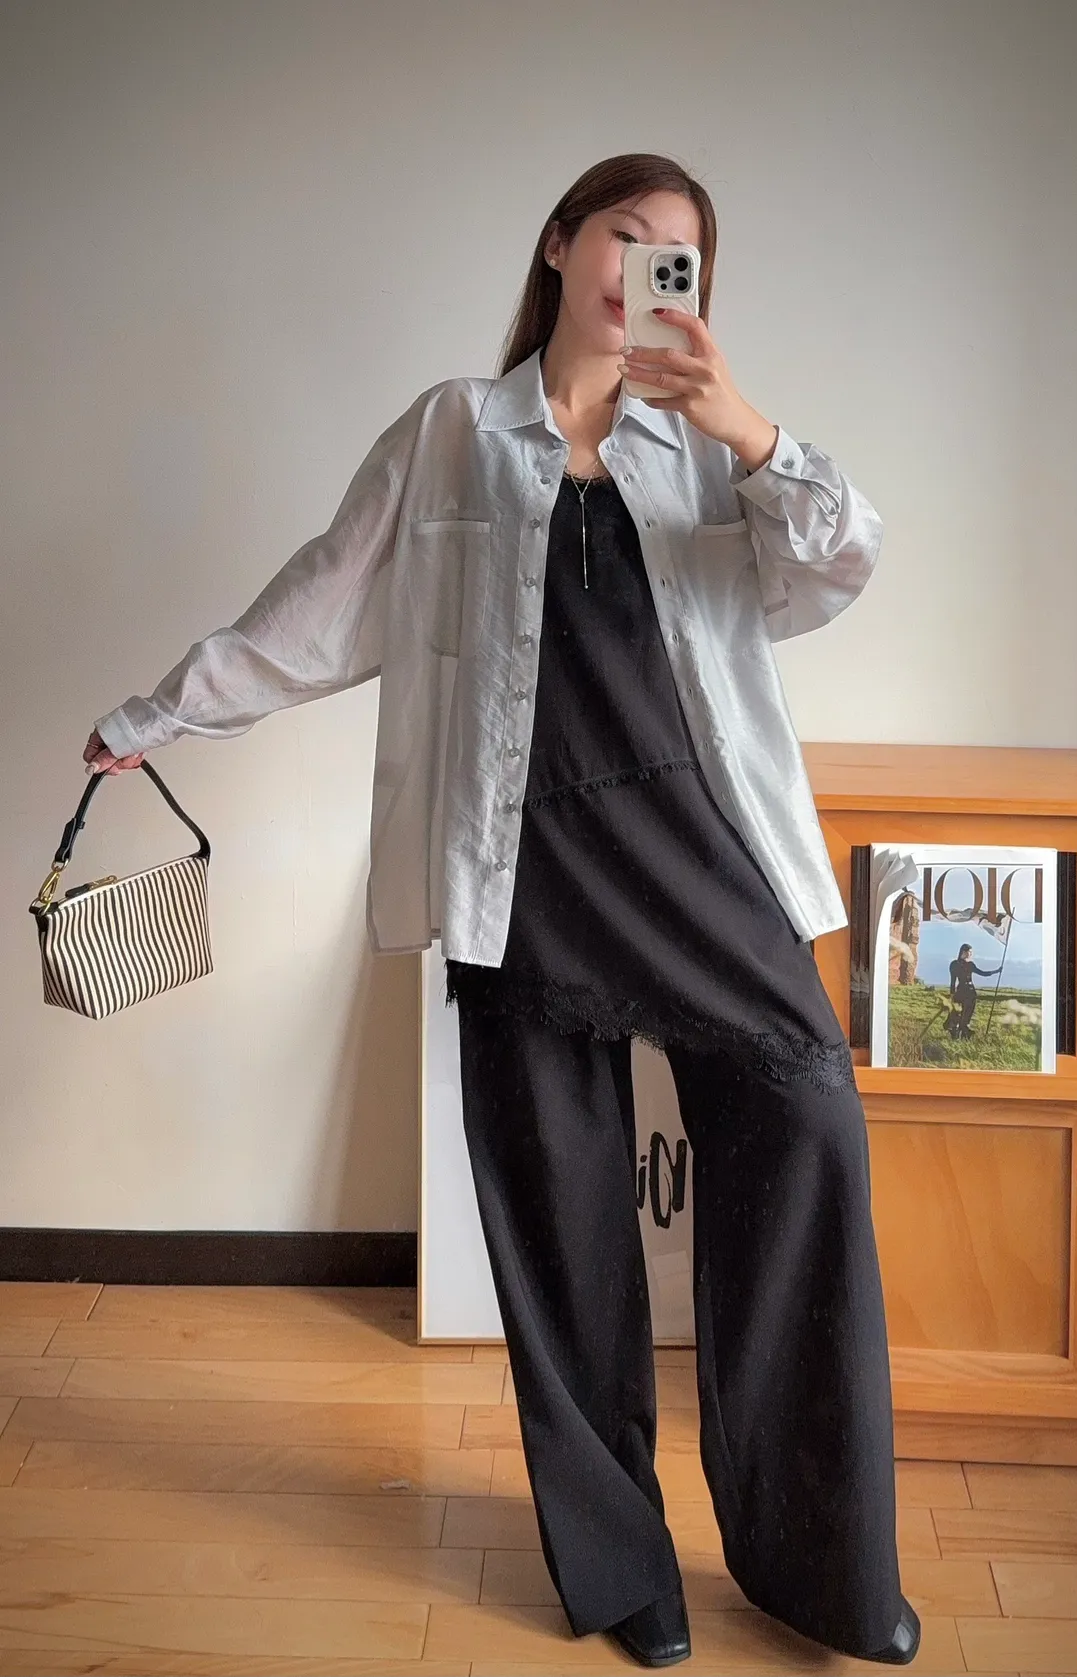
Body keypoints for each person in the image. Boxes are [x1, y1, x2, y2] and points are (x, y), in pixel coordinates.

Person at [84, 153, 919, 1669]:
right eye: (623, 234)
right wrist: (162, 713)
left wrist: (746, 427)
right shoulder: (454, 432)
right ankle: (623, 1573)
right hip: (522, 876)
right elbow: (320, 606)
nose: (641, 267)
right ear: (559, 242)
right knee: (563, 1226)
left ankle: (823, 1565)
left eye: (677, 255)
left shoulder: (708, 448)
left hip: (697, 854)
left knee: (808, 1124)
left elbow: (842, 560)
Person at [947, 943, 1001, 1038]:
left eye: (971, 952)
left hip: (969, 992)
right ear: (963, 952)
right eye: (969, 952)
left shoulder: (968, 965)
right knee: (959, 1012)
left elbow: (982, 973)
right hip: (963, 992)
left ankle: (964, 1032)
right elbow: (953, 981)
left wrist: (996, 971)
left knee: (967, 1013)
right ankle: (958, 1030)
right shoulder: (955, 965)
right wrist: (952, 995)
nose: (971, 954)